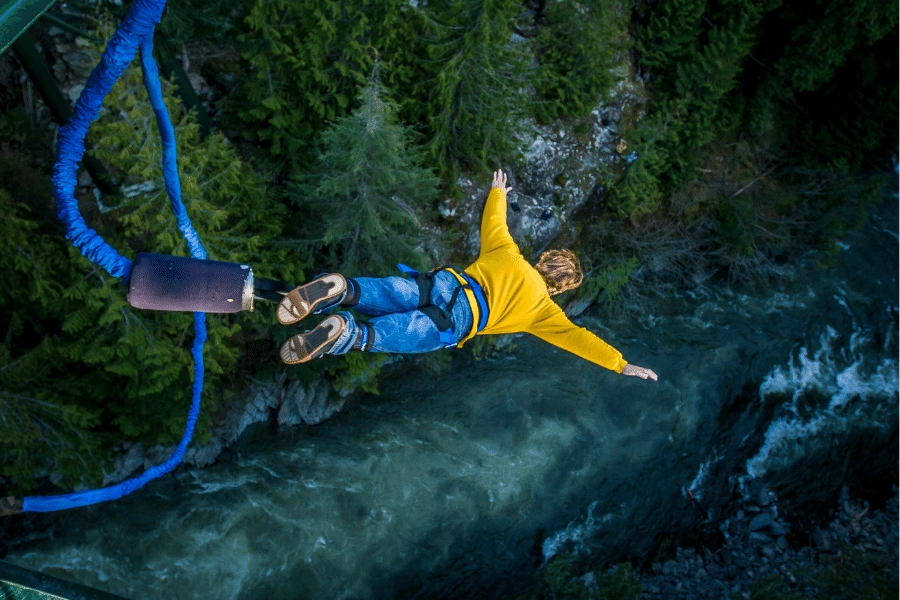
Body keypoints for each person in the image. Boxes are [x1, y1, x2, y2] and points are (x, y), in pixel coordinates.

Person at [276, 169, 658, 381]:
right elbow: (580, 340)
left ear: (543, 260)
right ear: (559, 288)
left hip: (446, 283)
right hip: (459, 320)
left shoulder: (508, 253)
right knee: (388, 335)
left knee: (392, 292)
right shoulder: (544, 312)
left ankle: (342, 288)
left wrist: (498, 192)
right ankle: (346, 331)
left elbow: (495, 221)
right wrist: (622, 364)